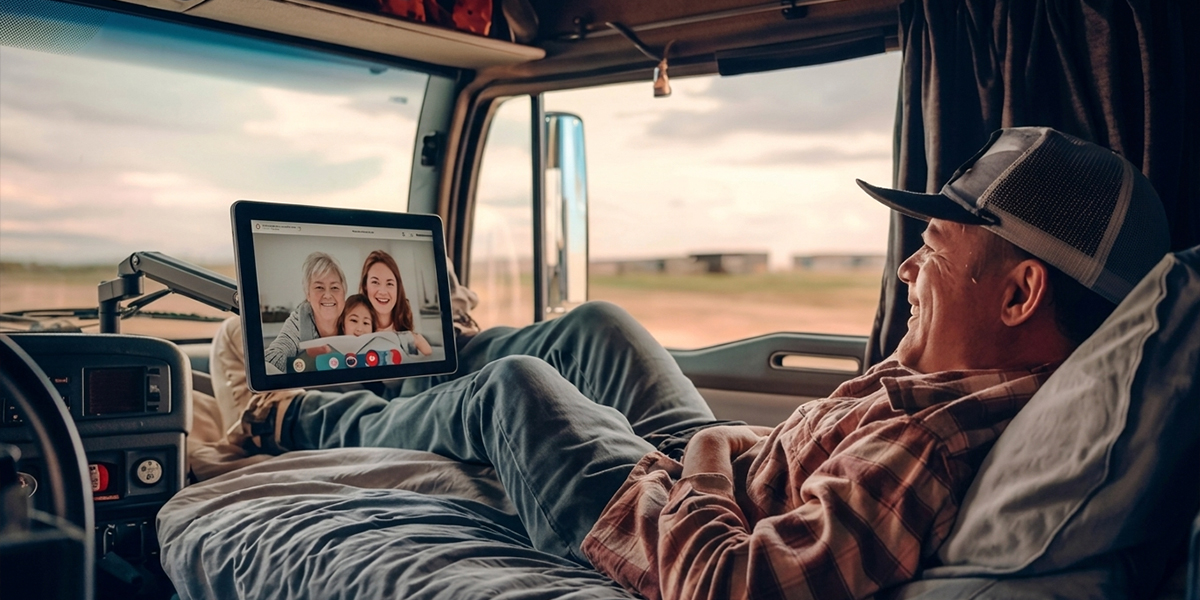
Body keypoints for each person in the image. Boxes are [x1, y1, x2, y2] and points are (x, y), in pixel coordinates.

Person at [230, 128, 1170, 599]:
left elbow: (729, 586)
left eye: (934, 247)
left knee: (520, 391)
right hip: (726, 469)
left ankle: (298, 417)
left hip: (665, 513)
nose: (908, 267)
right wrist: (721, 451)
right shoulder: (939, 380)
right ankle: (420, 376)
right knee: (599, 325)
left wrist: (708, 459)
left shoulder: (930, 442)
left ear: (1019, 296)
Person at [262, 252, 347, 373]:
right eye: (319, 287)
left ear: (344, 293)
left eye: (335, 287)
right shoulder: (300, 320)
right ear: (308, 294)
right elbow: (278, 351)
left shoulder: (354, 315)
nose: (328, 295)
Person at [359, 249, 431, 355]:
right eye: (375, 282)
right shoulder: (356, 330)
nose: (383, 292)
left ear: (398, 288)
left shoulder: (412, 339)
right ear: (365, 286)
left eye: (389, 284)